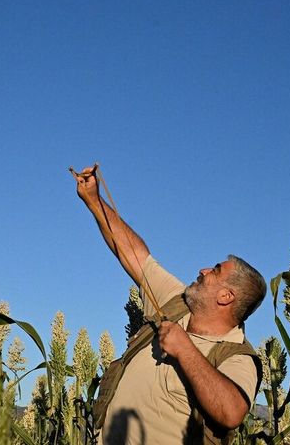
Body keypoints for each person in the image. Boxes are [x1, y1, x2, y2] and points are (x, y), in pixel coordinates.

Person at [73, 165, 267, 445]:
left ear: (226, 297)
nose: (202, 270)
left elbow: (231, 412)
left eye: (215, 270)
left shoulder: (237, 357)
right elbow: (135, 255)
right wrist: (93, 199)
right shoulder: (176, 303)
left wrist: (184, 348)